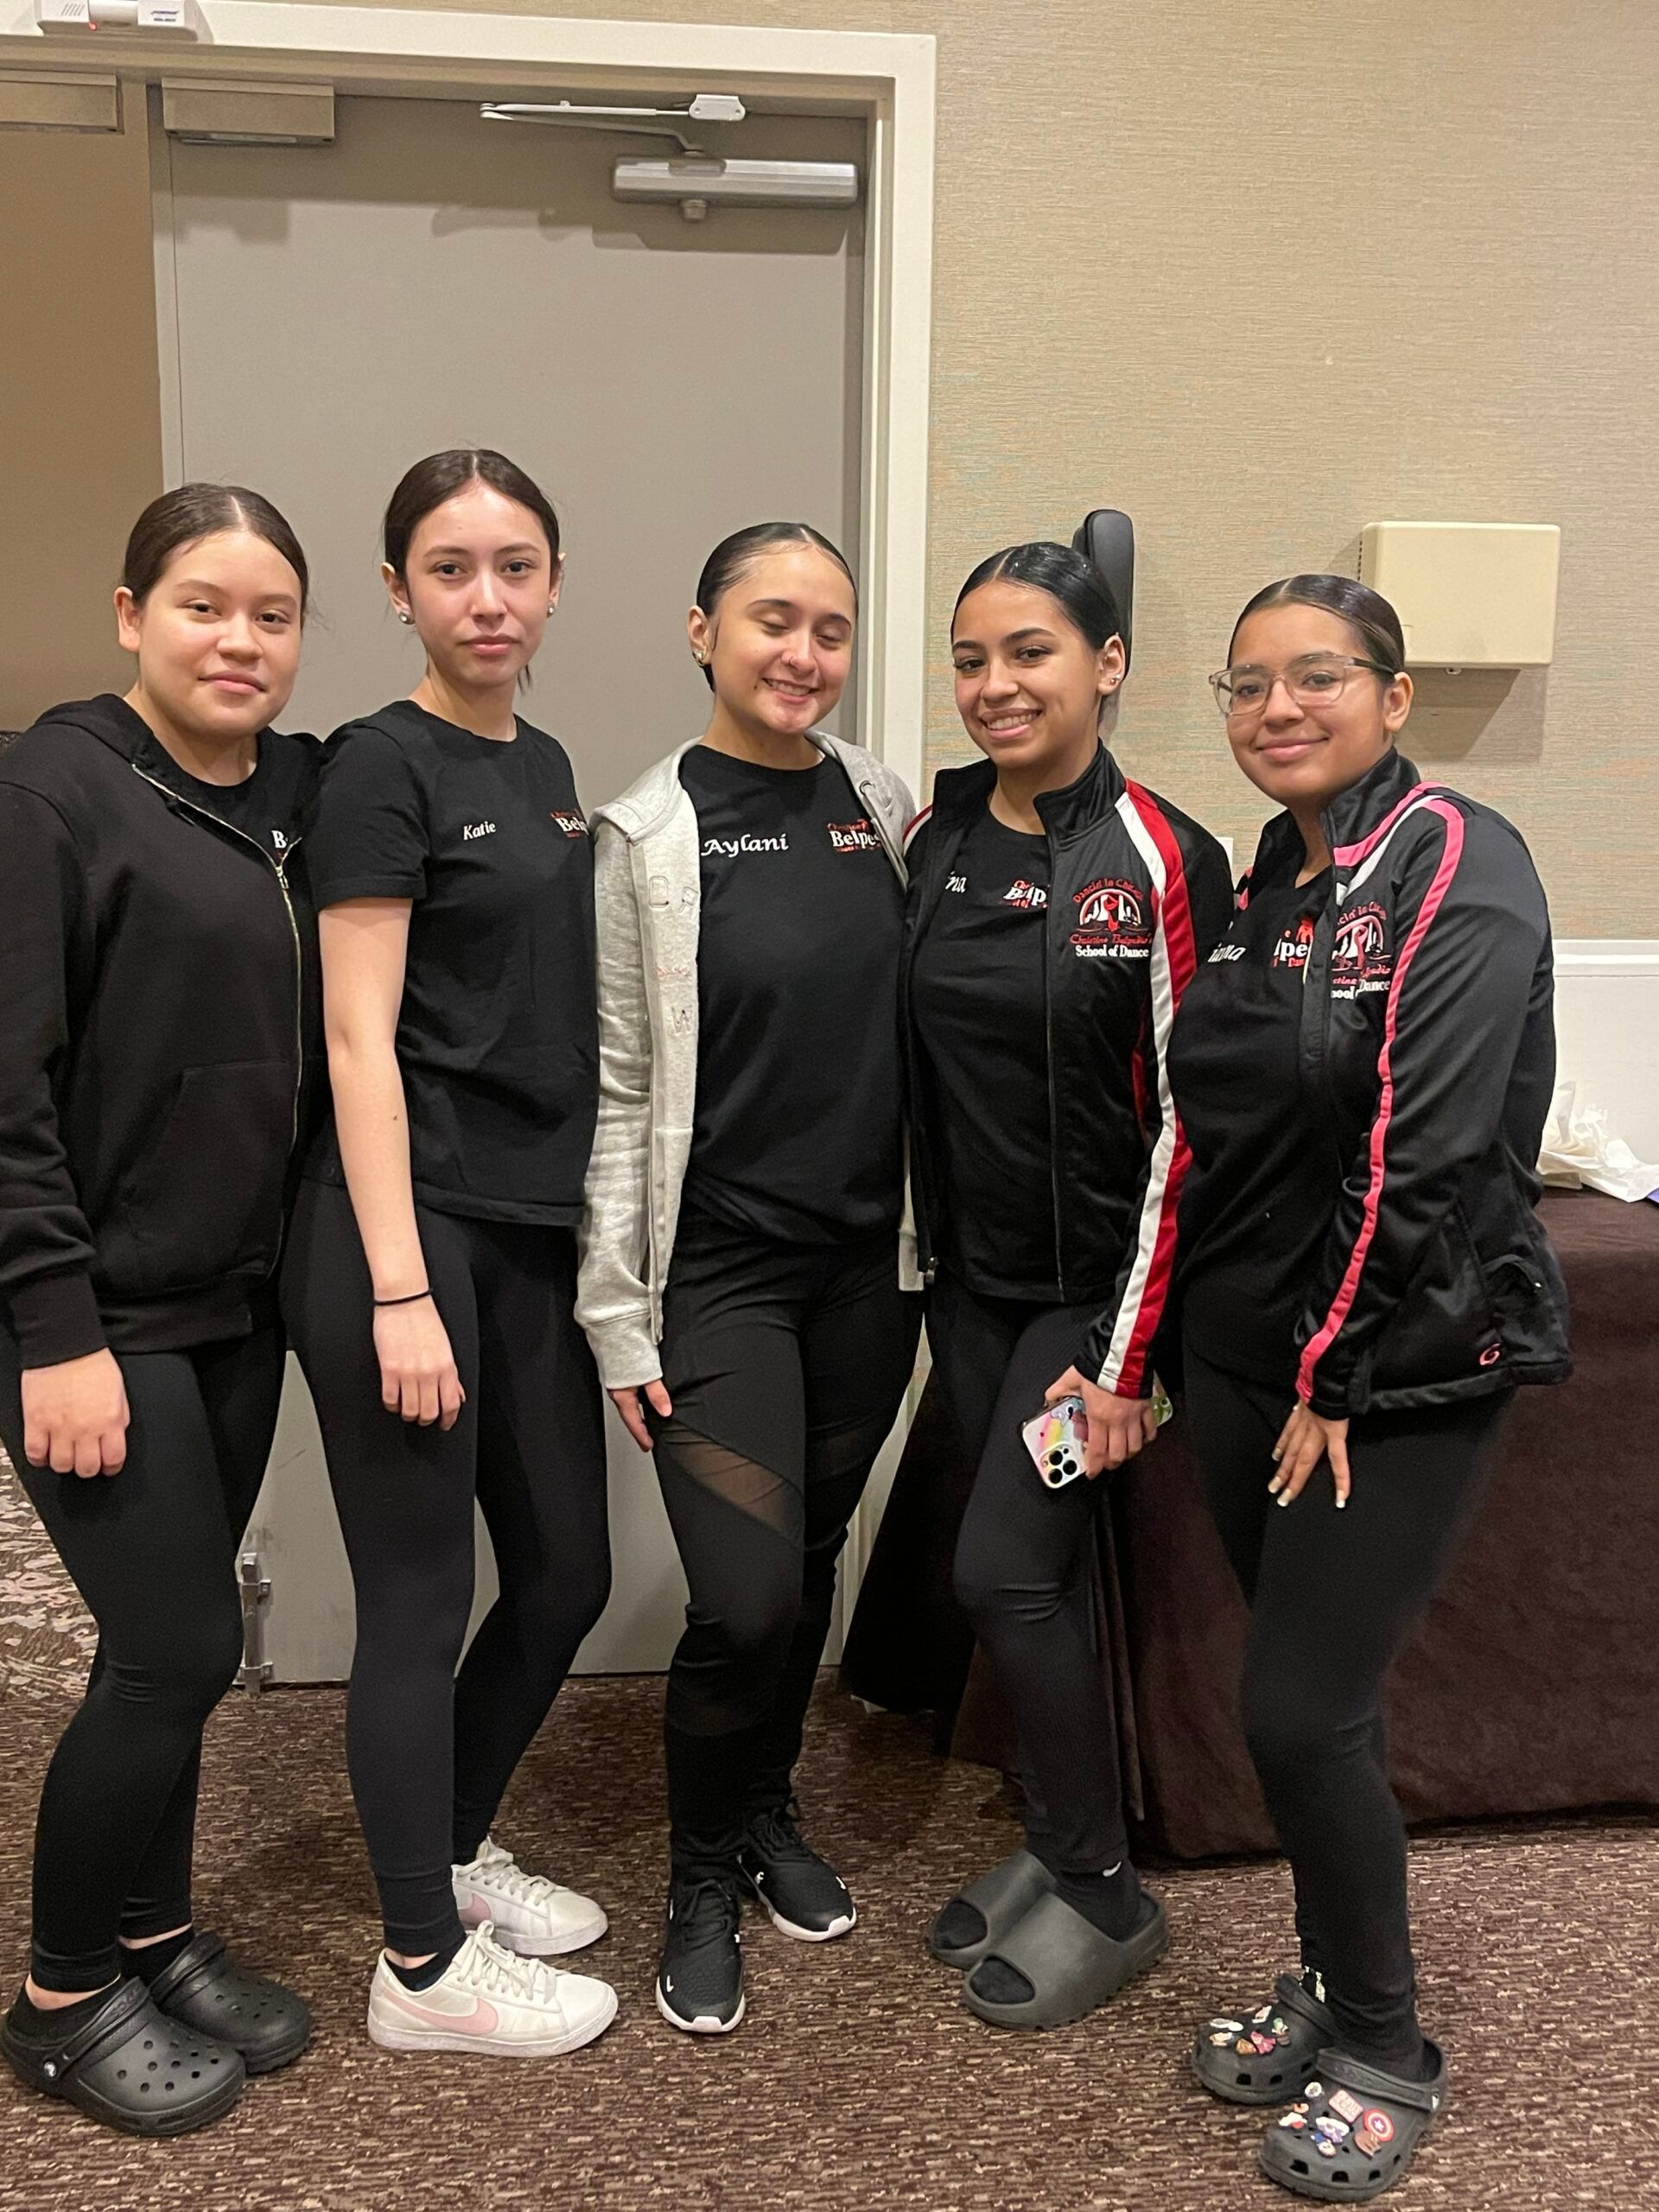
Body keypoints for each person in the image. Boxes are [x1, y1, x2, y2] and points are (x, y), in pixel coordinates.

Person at [1170, 575, 1569, 2200]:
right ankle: (1332, 1979)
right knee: (1307, 1709)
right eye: (1249, 684)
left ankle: (1387, 2044)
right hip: (1245, 1350)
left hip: (1391, 1368)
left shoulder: (1460, 867)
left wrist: (1329, 1368)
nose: (1279, 709)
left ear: (1393, 697)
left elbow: (1425, 1150)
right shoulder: (1274, 870)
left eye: (1317, 678)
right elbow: (1220, 1126)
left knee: (1298, 1706)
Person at [282, 448, 615, 2059]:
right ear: (404, 588)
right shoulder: (378, 766)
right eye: (452, 567)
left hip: (527, 1239)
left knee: (567, 1572)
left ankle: (457, 1850)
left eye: (519, 565)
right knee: (419, 1600)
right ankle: (419, 1971)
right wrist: (403, 1288)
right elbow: (358, 1042)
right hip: (399, 1238)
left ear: (554, 583)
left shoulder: (544, 759)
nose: (490, 597)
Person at [0, 485, 319, 2133]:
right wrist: (51, 1327)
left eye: (271, 615)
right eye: (203, 605)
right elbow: (6, 1090)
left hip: (233, 1306)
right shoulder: (49, 789)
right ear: (131, 614)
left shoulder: (288, 801)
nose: (238, 641)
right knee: (174, 1646)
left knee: (183, 1650)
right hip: (94, 1313)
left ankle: (156, 1933)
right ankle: (59, 1994)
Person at [577, 522, 920, 2036]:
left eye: (831, 629)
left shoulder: (883, 806)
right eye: (771, 620)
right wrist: (613, 1310)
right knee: (743, 1599)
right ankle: (701, 1875)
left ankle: (769, 1808)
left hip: (871, 1274)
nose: (803, 653)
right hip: (719, 1279)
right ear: (702, 631)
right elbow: (619, 1084)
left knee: (812, 1566)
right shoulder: (646, 835)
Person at [906, 541, 1231, 2031]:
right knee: (1020, 1587)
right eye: (972, 659)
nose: (994, 686)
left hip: (1099, 1299)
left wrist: (1124, 1353)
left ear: (1105, 664)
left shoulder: (1163, 855)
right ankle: (1055, 1841)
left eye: (1029, 653)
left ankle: (1101, 1884)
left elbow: (1188, 1123)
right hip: (967, 1286)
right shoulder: (937, 834)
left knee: (1003, 1570)